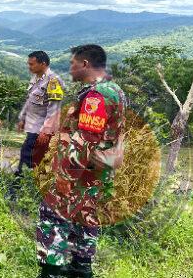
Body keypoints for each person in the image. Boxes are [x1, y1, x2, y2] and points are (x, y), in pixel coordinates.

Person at [36, 45, 126, 278]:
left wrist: (66, 175)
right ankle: (80, 268)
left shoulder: (96, 96)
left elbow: (86, 139)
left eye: (72, 63)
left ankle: (52, 271)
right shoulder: (114, 89)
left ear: (85, 64)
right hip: (98, 171)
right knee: (86, 216)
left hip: (82, 171)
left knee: (53, 213)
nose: (70, 68)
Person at [16, 51, 65, 173]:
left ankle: (18, 187)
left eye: (32, 64)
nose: (29, 67)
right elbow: (30, 101)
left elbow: (54, 108)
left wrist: (46, 131)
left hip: (41, 131)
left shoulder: (53, 81)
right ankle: (26, 185)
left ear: (43, 64)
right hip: (33, 127)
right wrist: (23, 118)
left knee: (28, 158)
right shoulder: (36, 78)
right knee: (31, 159)